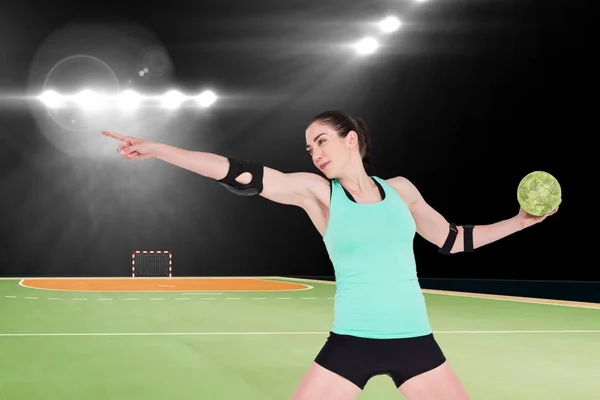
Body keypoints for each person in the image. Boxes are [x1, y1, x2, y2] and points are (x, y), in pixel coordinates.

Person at [102, 110, 559, 400]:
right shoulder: (318, 194)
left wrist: (520, 222)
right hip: (351, 343)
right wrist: (159, 150)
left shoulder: (401, 191)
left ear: (350, 140)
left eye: (321, 140)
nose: (314, 152)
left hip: (415, 341)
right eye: (308, 146)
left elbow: (453, 239)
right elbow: (240, 174)